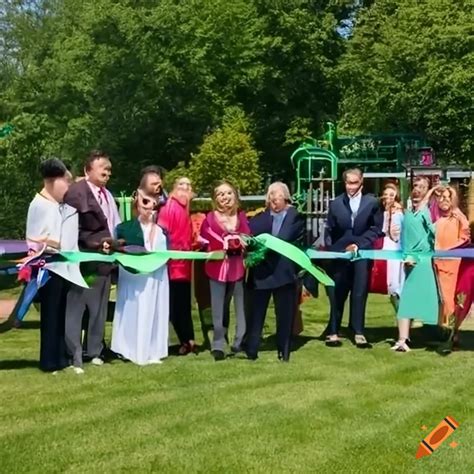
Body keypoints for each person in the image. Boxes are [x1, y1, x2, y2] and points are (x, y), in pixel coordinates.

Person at [26, 158, 88, 372]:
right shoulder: (39, 205)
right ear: (52, 181)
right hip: (47, 266)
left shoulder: (57, 206)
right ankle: (49, 360)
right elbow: (34, 238)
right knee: (51, 314)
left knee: (61, 312)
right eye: (66, 182)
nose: (68, 187)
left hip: (61, 265)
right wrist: (53, 242)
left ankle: (61, 357)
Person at [64, 150, 121, 373]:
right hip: (83, 262)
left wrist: (114, 246)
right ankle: (74, 355)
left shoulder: (108, 194)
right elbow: (72, 230)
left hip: (105, 261)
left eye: (109, 168)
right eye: (102, 167)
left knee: (99, 309)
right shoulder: (76, 192)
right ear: (88, 170)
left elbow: (113, 225)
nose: (107, 171)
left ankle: (95, 351)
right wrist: (94, 245)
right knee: (77, 309)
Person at [324, 168, 383, 348]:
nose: (351, 186)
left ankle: (358, 331)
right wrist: (332, 250)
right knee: (337, 292)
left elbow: (376, 229)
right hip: (339, 254)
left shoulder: (372, 202)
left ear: (361, 183)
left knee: (359, 292)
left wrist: (359, 245)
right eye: (348, 183)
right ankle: (333, 331)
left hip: (362, 253)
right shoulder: (335, 204)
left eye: (355, 183)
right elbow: (330, 230)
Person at [245, 182, 304, 362]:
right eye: (270, 196)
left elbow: (284, 238)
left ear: (286, 198)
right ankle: (252, 349)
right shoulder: (259, 218)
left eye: (277, 196)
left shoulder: (295, 216)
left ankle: (283, 351)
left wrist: (264, 243)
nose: (273, 200)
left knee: (285, 315)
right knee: (256, 314)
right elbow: (251, 236)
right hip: (262, 272)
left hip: (284, 274)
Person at [111, 190, 169, 365]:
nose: (150, 207)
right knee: (133, 309)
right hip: (133, 278)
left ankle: (152, 350)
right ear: (137, 203)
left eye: (154, 203)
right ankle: (128, 349)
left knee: (154, 310)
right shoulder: (124, 228)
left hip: (155, 277)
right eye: (145, 202)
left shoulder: (161, 231)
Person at [200, 180, 250, 361]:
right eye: (220, 194)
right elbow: (204, 240)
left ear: (235, 195)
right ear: (215, 198)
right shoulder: (209, 219)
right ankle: (218, 344)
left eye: (228, 193)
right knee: (218, 307)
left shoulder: (241, 217)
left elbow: (248, 237)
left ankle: (239, 342)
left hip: (237, 269)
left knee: (239, 307)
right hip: (216, 269)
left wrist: (242, 241)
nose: (225, 197)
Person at [392, 185, 440, 352]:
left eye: (421, 190)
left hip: (423, 262)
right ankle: (402, 340)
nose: (417, 192)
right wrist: (406, 257)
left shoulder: (425, 213)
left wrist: (433, 190)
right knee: (407, 301)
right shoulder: (409, 214)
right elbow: (404, 238)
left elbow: (434, 233)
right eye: (415, 189)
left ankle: (434, 335)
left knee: (428, 300)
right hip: (410, 262)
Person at [157, 176, 196, 355]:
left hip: (183, 264)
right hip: (173, 264)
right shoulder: (169, 207)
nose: (185, 188)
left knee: (182, 305)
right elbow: (162, 234)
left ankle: (187, 339)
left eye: (188, 185)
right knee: (175, 305)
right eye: (181, 184)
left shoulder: (184, 208)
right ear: (174, 187)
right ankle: (183, 340)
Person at [434, 186, 470, 325]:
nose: (444, 200)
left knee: (449, 296)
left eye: (448, 197)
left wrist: (448, 250)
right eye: (442, 197)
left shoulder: (458, 218)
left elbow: (465, 238)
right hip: (437, 262)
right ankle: (441, 326)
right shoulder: (437, 219)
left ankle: (449, 329)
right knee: (440, 297)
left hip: (452, 264)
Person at [382, 183, 405, 306]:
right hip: (388, 248)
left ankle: (404, 317)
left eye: (391, 195)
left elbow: (396, 234)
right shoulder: (385, 211)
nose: (388, 197)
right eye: (385, 194)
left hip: (394, 248)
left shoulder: (396, 212)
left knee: (395, 284)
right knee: (391, 286)